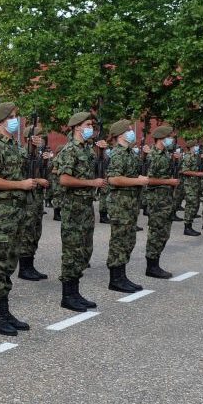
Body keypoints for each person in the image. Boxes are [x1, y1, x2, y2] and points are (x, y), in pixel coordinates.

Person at [0, 102, 33, 336]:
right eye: (11, 117)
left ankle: (4, 310)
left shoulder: (15, 147)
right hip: (0, 215)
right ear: (0, 122)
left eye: (16, 116)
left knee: (9, 263)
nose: (16, 120)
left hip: (15, 214)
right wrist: (20, 185)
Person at [54, 111, 106, 312]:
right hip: (73, 208)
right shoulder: (70, 150)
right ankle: (67, 296)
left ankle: (75, 293)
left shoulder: (87, 150)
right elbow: (64, 179)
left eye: (91, 125)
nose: (90, 128)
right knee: (72, 252)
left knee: (84, 250)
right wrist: (91, 183)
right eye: (87, 125)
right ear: (76, 127)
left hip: (85, 207)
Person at [104, 120, 149, 293]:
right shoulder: (118, 153)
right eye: (129, 130)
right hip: (120, 204)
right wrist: (137, 181)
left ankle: (122, 276)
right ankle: (115, 279)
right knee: (119, 241)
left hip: (130, 203)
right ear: (120, 134)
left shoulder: (130, 153)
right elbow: (113, 179)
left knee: (128, 240)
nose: (132, 132)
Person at [142, 125, 179, 279]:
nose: (172, 139)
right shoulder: (154, 156)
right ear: (161, 138)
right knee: (157, 233)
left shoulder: (165, 155)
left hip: (166, 199)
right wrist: (169, 181)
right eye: (169, 137)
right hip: (157, 200)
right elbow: (148, 180)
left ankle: (155, 263)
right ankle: (152, 266)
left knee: (164, 233)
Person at [17, 124, 50, 281]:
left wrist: (44, 164)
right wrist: (39, 180)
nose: (41, 139)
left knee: (35, 232)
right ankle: (24, 268)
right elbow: (19, 176)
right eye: (38, 136)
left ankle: (30, 266)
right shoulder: (22, 154)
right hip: (27, 200)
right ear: (28, 139)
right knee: (27, 233)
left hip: (37, 199)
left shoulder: (38, 155)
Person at [179, 140, 203, 236]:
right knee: (190, 204)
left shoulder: (195, 157)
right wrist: (197, 173)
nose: (196, 147)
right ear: (191, 147)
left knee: (195, 204)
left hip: (195, 184)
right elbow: (184, 171)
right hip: (189, 184)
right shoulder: (188, 157)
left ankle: (190, 225)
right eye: (195, 146)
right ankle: (187, 227)